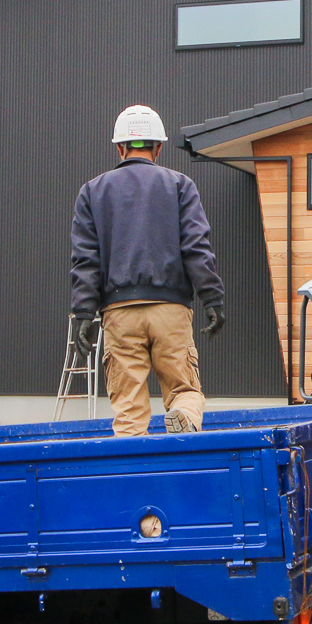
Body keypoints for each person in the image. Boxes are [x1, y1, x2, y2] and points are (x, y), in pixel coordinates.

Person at [70, 105, 225, 436]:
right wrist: (212, 298)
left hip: (119, 313)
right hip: (170, 310)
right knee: (184, 389)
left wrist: (83, 313)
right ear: (159, 147)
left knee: (128, 408)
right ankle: (183, 415)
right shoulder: (180, 185)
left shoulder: (92, 192)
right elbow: (197, 247)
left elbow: (86, 259)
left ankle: (133, 472)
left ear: (120, 147)